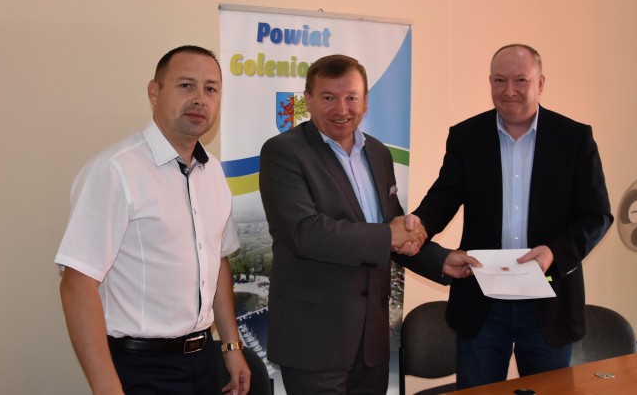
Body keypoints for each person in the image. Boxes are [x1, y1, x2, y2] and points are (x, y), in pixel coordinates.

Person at [258, 54, 478, 395]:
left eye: (351, 97)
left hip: (372, 343)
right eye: (328, 97)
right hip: (315, 342)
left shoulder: (378, 153)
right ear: (308, 100)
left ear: (365, 101)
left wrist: (442, 260)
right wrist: (390, 234)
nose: (341, 109)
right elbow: (305, 233)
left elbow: (393, 230)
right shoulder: (283, 152)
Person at [412, 44, 614, 389]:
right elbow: (443, 199)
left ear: (540, 83)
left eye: (521, 80)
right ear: (489, 82)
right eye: (499, 80)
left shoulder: (574, 138)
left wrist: (555, 252)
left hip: (549, 302)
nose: (509, 90)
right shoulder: (466, 136)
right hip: (482, 303)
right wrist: (418, 226)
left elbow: (596, 216)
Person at [55, 45, 251, 395]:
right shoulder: (116, 170)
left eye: (210, 89)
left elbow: (218, 260)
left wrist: (231, 346)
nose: (200, 99)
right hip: (140, 368)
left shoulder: (214, 172)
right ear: (154, 92)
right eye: (186, 85)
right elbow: (77, 284)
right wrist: (107, 388)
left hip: (205, 361)